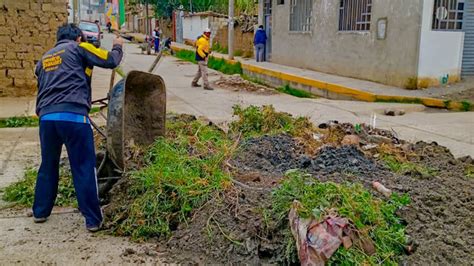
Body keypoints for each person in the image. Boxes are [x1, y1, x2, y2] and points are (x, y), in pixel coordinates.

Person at [33, 23, 123, 232]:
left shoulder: (45, 58)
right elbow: (111, 60)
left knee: (48, 165)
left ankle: (40, 212)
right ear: (78, 38)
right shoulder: (78, 48)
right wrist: (118, 45)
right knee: (83, 166)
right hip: (73, 117)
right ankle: (93, 220)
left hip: (46, 119)